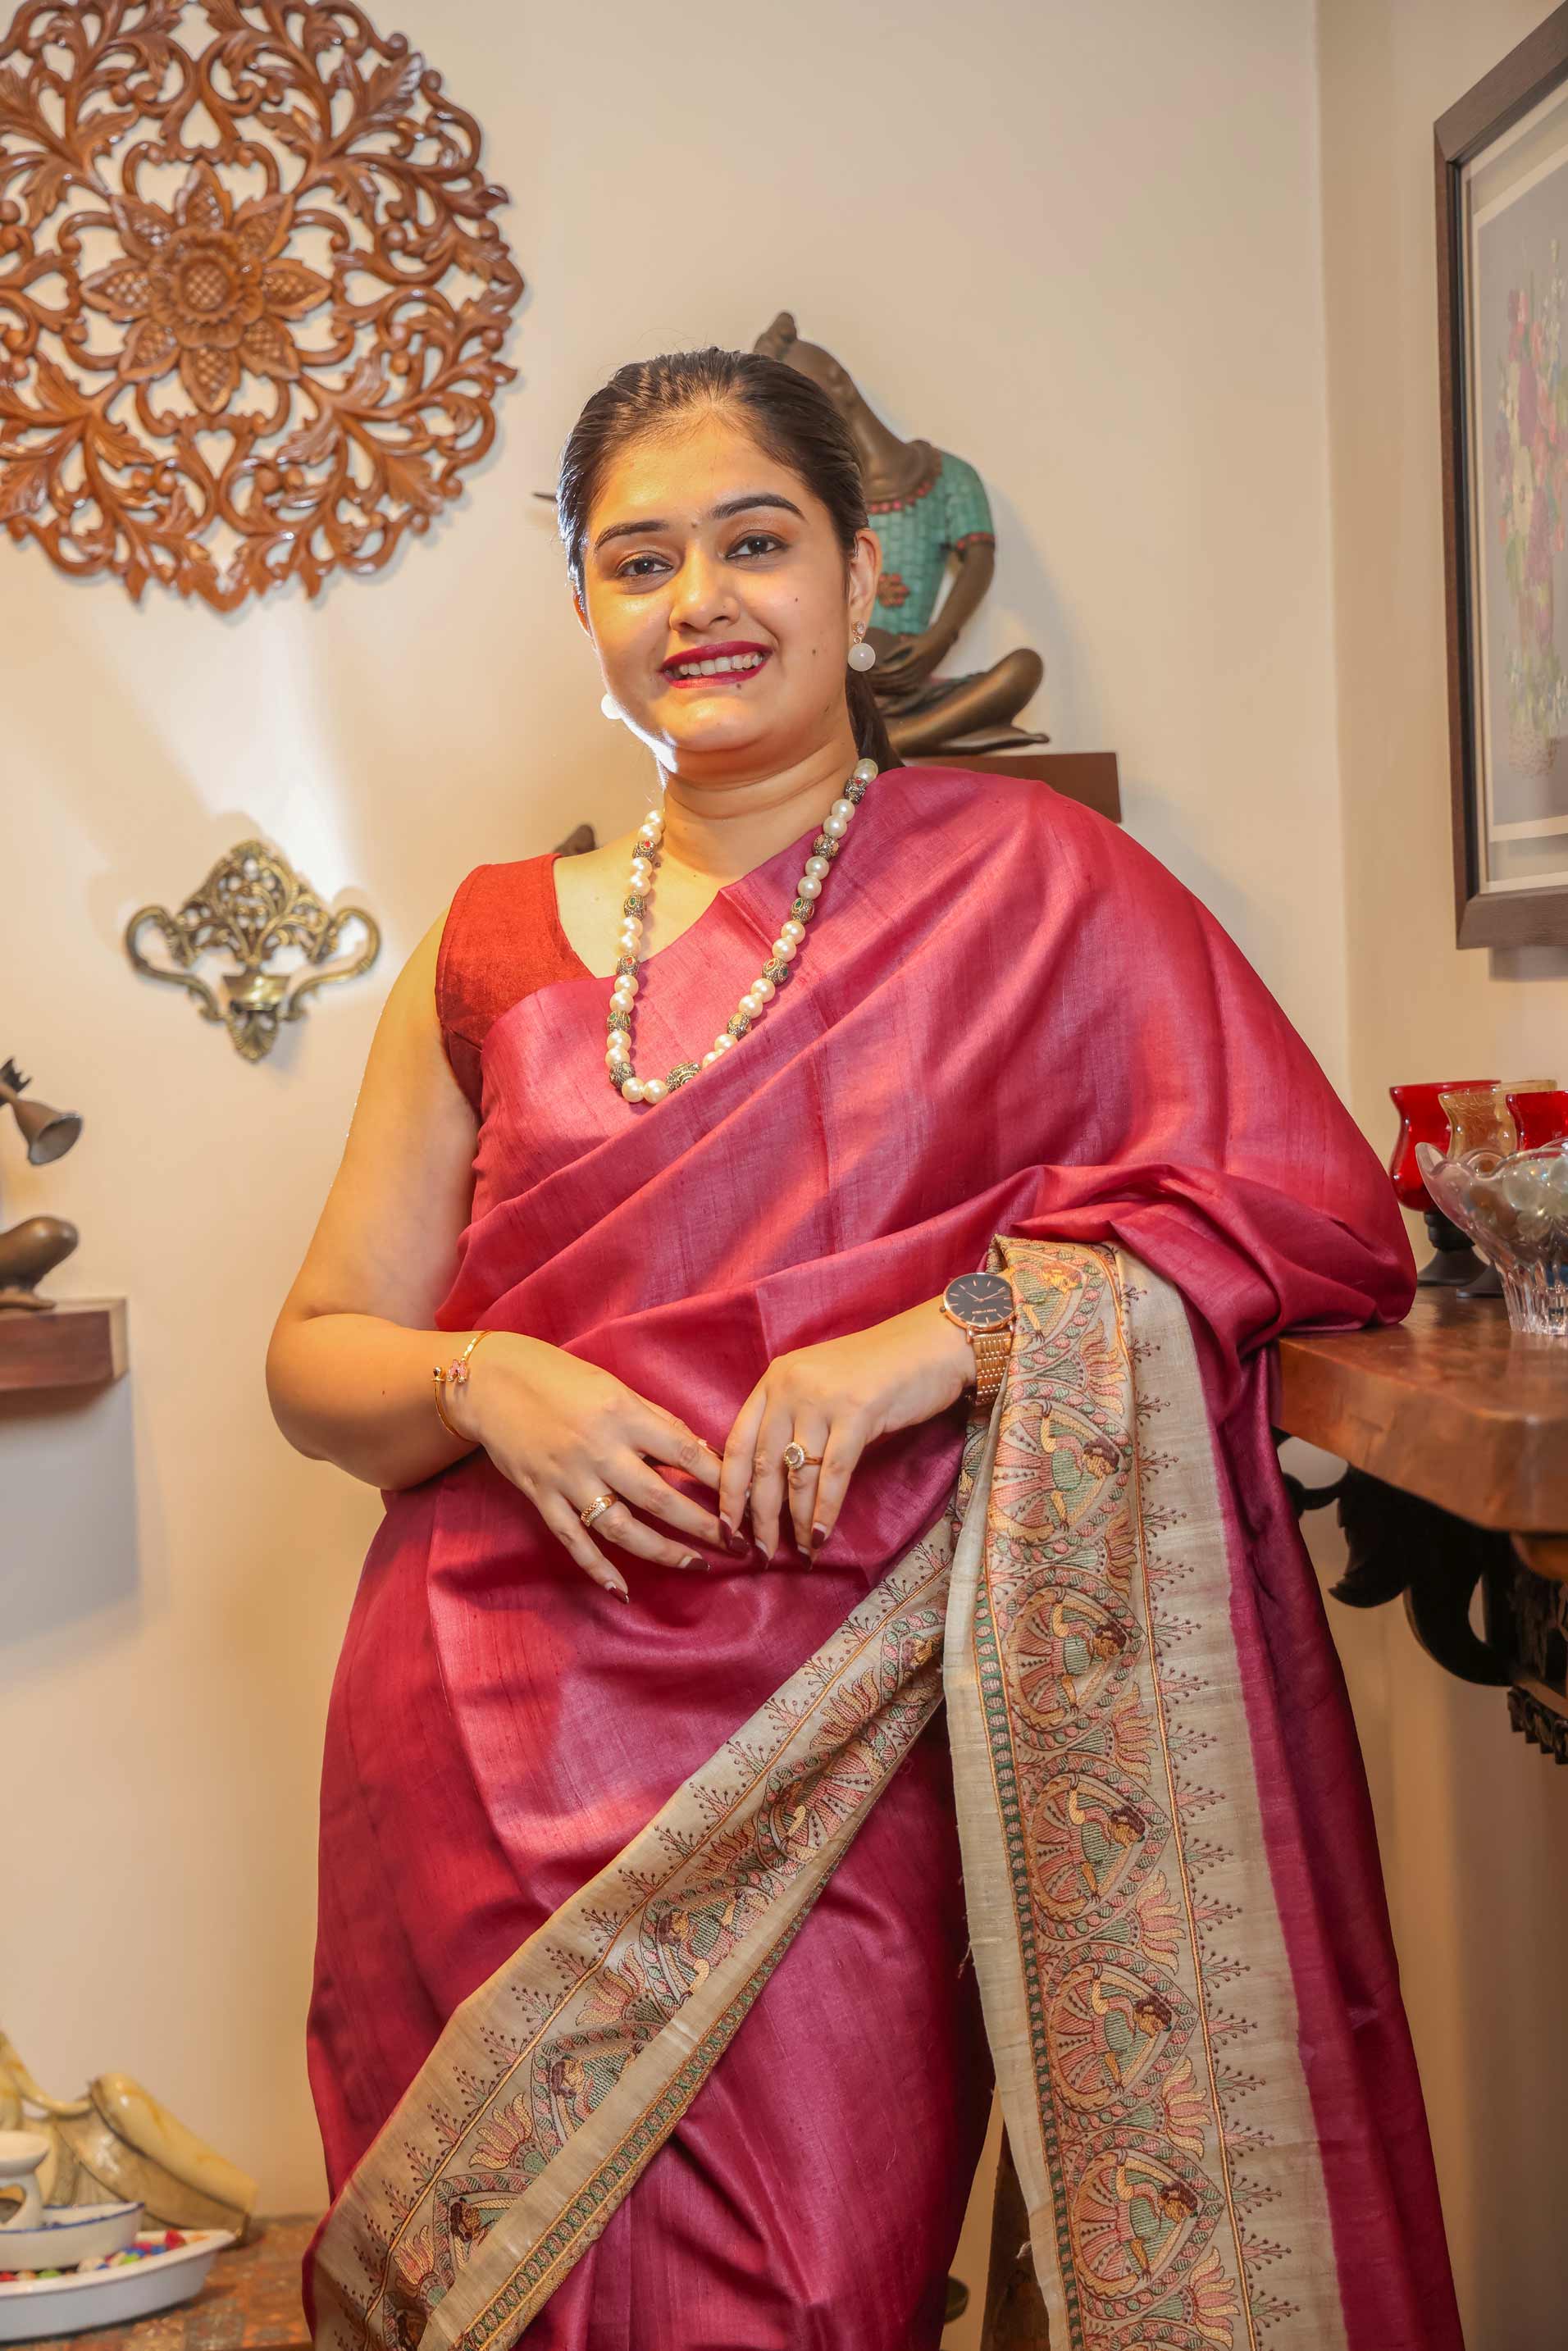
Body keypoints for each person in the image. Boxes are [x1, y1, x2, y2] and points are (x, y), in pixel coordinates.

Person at [267, 348, 1461, 2351]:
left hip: (852, 1736)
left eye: (754, 543)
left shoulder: (1035, 885)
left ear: (859, 578)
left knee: (807, 2292)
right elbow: (317, 1362)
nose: (697, 601)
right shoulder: (486, 943)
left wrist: (944, 1336)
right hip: (481, 1720)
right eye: (637, 561)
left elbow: (1310, 1216)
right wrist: (483, 1379)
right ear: (584, 610)